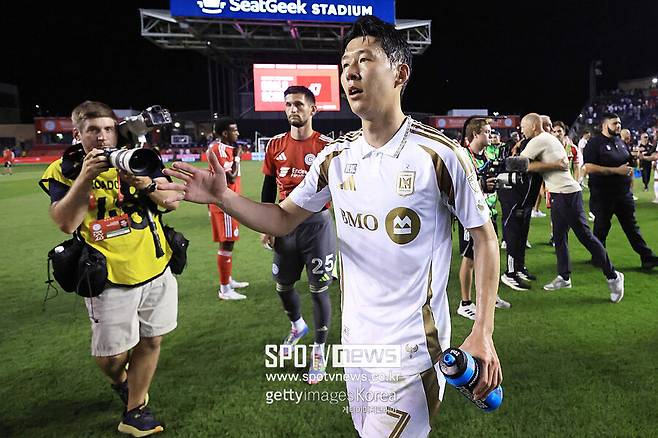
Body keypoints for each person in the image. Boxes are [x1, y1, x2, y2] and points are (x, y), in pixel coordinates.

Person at [161, 16, 502, 437]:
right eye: (345, 65)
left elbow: (484, 238)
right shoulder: (336, 158)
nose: (350, 73)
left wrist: (482, 330)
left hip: (413, 349)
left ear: (400, 73)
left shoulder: (440, 155)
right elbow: (283, 218)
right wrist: (224, 198)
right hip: (356, 345)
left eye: (365, 60)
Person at [39, 101, 179, 436]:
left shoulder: (139, 157)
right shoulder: (63, 170)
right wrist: (85, 177)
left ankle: (135, 410)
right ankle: (122, 381)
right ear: (78, 134)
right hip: (108, 275)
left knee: (153, 339)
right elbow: (65, 222)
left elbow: (172, 202)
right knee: (113, 357)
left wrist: (143, 183)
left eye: (108, 129)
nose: (102, 137)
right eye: (93, 130)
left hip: (155, 263)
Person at [260, 85, 336, 383]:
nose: (293, 109)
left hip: (317, 226)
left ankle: (319, 351)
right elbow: (268, 187)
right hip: (284, 225)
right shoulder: (275, 145)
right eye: (289, 104)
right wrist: (266, 225)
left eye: (299, 104)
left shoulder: (327, 147)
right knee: (282, 286)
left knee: (319, 290)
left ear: (312, 109)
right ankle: (297, 326)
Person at [519, 113, 625, 301]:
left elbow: (519, 164)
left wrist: (532, 165)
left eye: (523, 127)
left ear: (533, 126)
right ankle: (564, 276)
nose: (521, 130)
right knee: (559, 236)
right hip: (560, 192)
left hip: (566, 194)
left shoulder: (539, 139)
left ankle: (613, 276)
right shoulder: (548, 138)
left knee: (585, 236)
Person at [583, 113, 658, 269]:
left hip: (623, 193)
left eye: (619, 123)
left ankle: (647, 257)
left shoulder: (620, 141)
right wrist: (616, 171)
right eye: (615, 123)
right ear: (605, 125)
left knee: (631, 226)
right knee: (602, 227)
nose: (618, 126)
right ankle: (598, 257)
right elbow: (588, 167)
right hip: (603, 194)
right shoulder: (594, 143)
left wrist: (633, 160)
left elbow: (626, 161)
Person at [457, 118, 510, 320]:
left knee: (488, 257)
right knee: (470, 259)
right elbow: (460, 185)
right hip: (470, 216)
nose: (490, 135)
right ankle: (465, 303)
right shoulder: (463, 156)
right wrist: (481, 184)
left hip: (489, 213)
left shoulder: (489, 155)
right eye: (487, 132)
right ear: (475, 134)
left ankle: (489, 297)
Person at [207, 117, 250, 300]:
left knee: (228, 242)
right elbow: (230, 178)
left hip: (230, 202)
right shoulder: (218, 149)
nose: (237, 133)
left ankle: (227, 280)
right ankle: (225, 290)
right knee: (227, 243)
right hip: (225, 203)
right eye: (234, 130)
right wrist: (238, 157)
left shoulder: (225, 148)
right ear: (225, 133)